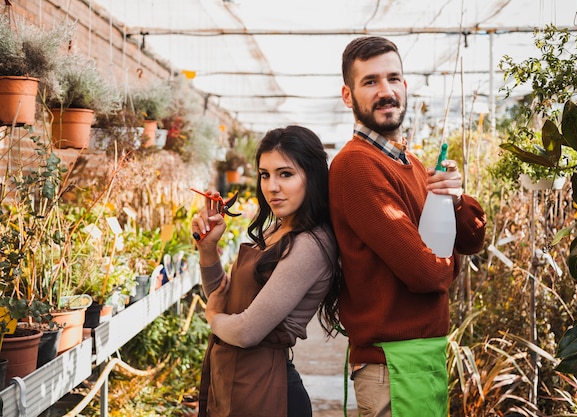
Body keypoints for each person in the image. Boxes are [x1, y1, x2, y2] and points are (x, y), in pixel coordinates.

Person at [328, 36, 487, 417]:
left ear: (404, 86)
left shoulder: (412, 164)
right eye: (370, 82)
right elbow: (423, 273)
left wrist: (455, 199)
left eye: (392, 78)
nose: (385, 92)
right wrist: (448, 264)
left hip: (421, 353)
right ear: (348, 96)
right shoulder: (357, 166)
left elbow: (473, 238)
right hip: (390, 363)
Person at [192, 125, 341, 417]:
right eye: (265, 174)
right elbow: (224, 297)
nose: (272, 186)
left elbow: (247, 331)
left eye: (285, 174)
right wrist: (208, 249)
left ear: (312, 176)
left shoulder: (310, 243)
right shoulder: (277, 229)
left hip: (269, 392)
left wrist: (212, 317)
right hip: (238, 382)